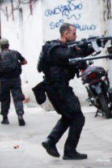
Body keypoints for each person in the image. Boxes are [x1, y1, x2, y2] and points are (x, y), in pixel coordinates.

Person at [39, 23, 91, 160]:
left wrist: (92, 46)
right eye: (73, 34)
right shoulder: (56, 49)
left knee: (69, 116)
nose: (76, 36)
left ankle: (50, 141)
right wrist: (84, 47)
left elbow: (76, 56)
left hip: (58, 88)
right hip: (57, 88)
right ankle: (69, 151)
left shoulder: (61, 48)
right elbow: (69, 55)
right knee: (78, 117)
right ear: (65, 34)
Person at [0, 38, 28, 126]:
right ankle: (20, 116)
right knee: (18, 98)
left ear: (0, 46)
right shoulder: (15, 53)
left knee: (4, 99)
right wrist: (18, 64)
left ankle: (5, 118)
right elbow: (25, 62)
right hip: (15, 79)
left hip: (4, 80)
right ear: (8, 45)